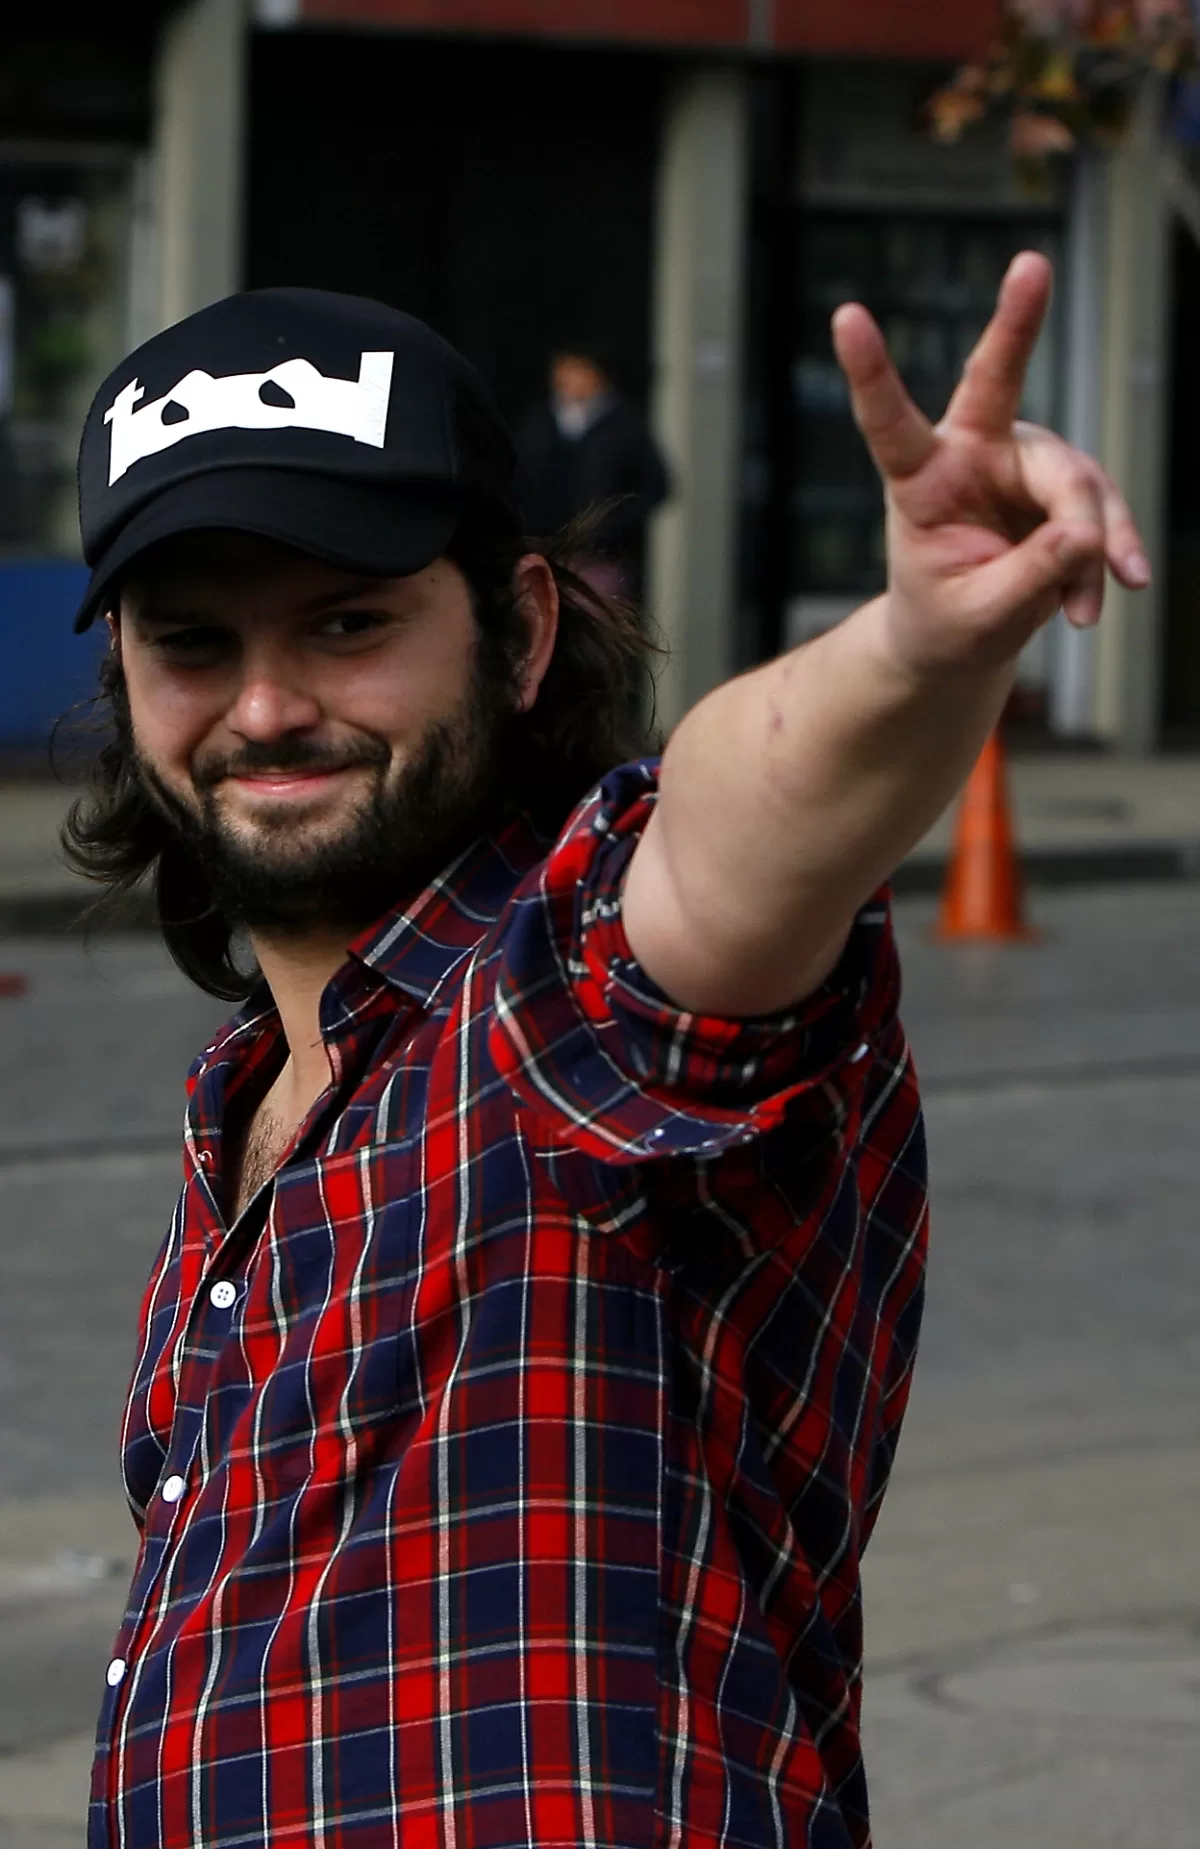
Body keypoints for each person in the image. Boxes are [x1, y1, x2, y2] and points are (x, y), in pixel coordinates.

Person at [60, 260, 1147, 1849]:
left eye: (350, 624)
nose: (269, 705)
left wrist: (920, 645)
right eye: (194, 644)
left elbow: (731, 837)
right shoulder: (248, 1099)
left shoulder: (570, 997)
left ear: (520, 631)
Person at [513, 346, 669, 600]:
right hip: (547, 549)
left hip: (601, 558)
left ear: (597, 374)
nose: (566, 378)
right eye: (562, 369)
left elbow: (656, 485)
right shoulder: (540, 422)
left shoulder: (624, 424)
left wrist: (610, 522)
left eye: (576, 369)